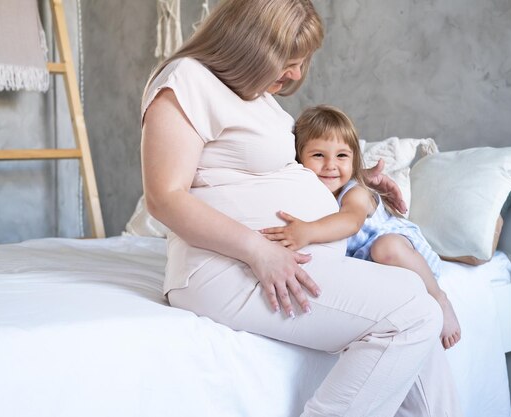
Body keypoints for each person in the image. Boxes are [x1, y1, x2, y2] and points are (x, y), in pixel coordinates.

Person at [140, 0, 462, 415]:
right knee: (414, 312)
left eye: (301, 62)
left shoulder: (255, 97)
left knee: (420, 315)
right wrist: (259, 251)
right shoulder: (186, 81)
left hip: (282, 258)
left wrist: (363, 181)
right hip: (227, 267)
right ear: (248, 45)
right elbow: (164, 197)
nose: (295, 74)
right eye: (287, 61)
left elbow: (296, 168)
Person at [261, 105, 461, 349]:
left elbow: (351, 221)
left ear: (354, 159)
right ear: (299, 158)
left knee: (385, 247)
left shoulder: (354, 191)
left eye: (342, 156)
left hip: (402, 249)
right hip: (370, 265)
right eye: (318, 155)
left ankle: (439, 298)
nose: (330, 165)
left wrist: (307, 231)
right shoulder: (308, 192)